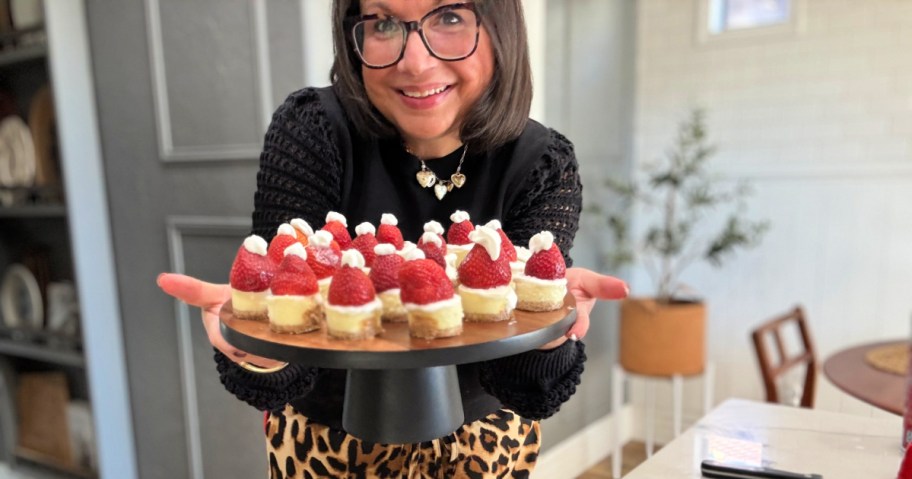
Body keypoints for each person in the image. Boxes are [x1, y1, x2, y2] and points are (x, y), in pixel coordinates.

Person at [157, 0, 628, 477]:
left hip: (484, 452)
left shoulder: (542, 162)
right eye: (383, 23)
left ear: (499, 26)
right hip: (327, 451)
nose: (415, 63)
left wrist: (548, 323)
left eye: (449, 17)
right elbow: (286, 377)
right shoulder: (314, 129)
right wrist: (259, 345)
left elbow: (531, 391)